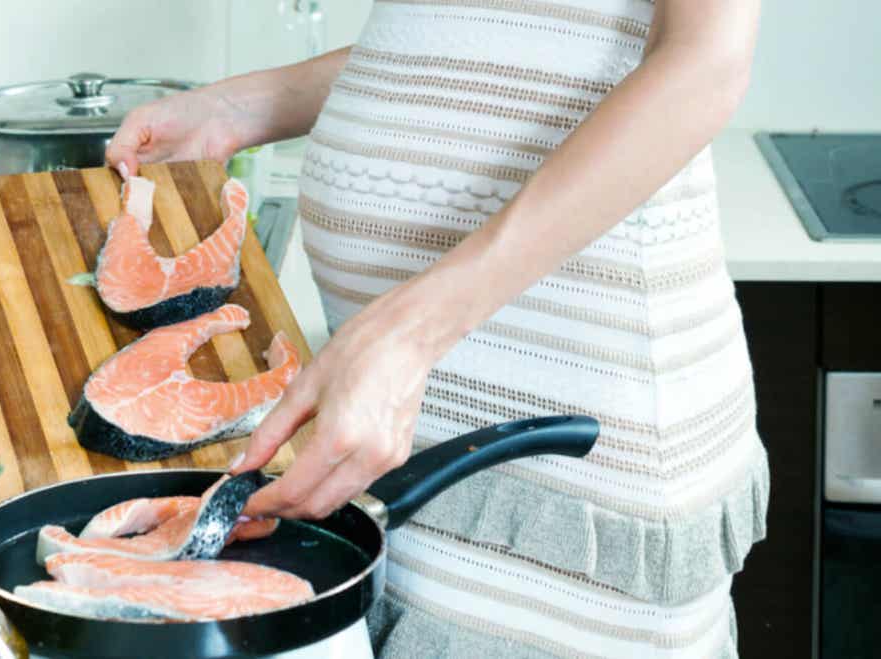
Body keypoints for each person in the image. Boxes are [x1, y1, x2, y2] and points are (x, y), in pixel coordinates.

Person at [107, 1, 765, 656]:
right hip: (409, 421)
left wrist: (413, 331)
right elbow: (484, 35)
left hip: (562, 417)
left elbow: (705, 61)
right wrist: (240, 108)